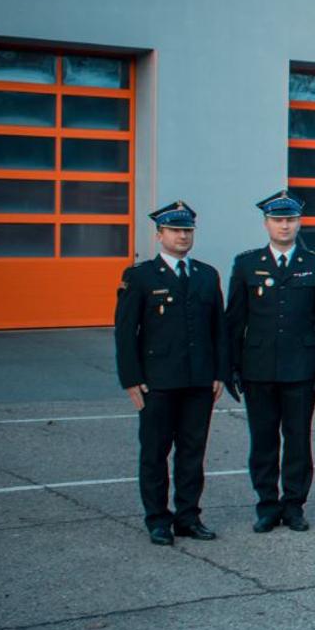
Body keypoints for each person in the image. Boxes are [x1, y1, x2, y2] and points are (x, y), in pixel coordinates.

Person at [115, 200, 224, 545]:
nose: (182, 236)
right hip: (157, 381)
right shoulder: (140, 276)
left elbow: (218, 329)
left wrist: (219, 372)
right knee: (155, 452)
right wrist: (131, 379)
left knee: (192, 452)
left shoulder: (206, 275)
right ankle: (158, 519)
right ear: (159, 234)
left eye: (187, 230)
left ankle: (188, 517)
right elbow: (125, 332)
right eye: (175, 230)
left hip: (198, 380)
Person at [225, 190, 315, 534]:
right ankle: (267, 505)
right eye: (277, 220)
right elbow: (234, 320)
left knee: (298, 440)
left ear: (299, 223)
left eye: (290, 220)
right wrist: (231, 366)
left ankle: (294, 505)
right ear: (266, 224)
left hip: (301, 367)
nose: (284, 226)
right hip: (258, 368)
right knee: (263, 440)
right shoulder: (247, 264)